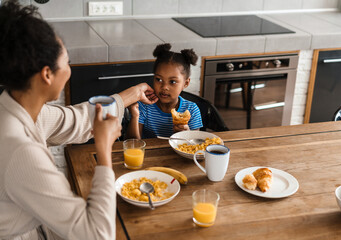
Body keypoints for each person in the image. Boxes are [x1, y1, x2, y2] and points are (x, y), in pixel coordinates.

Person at [0, 1, 158, 240]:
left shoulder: (15, 106)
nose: (69, 70)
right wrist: (104, 151)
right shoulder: (20, 151)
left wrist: (132, 94)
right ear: (47, 74)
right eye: (67, 62)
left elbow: (75, 119)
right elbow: (98, 235)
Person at [126, 43, 203, 139]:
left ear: (186, 83)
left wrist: (186, 133)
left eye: (172, 81)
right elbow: (132, 143)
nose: (164, 87)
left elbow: (194, 146)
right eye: (159, 79)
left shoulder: (192, 110)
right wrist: (134, 115)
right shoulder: (144, 106)